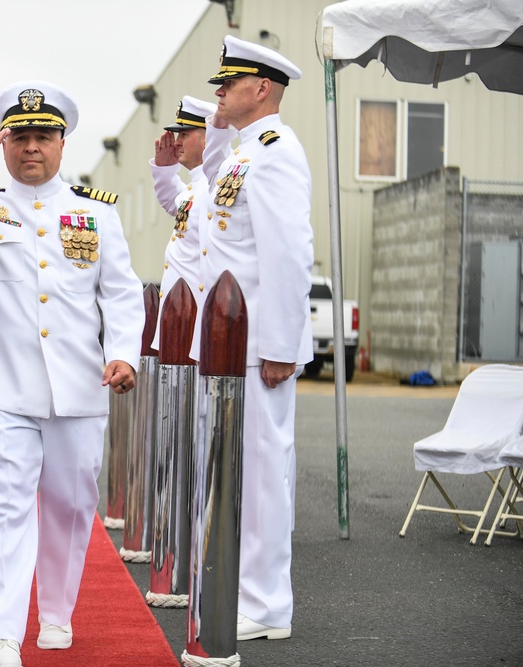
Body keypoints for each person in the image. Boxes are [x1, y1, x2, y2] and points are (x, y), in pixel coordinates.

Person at [0, 81, 144, 667]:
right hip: (3, 385)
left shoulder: (94, 211)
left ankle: (56, 612)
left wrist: (124, 352)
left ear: (62, 142)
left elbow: (120, 293)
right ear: (5, 141)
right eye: (19, 137)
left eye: (43, 136)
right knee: (6, 504)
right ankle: (2, 632)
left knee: (71, 506)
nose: (30, 148)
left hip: (78, 384)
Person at [196, 35, 314, 641]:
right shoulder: (244, 152)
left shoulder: (276, 151)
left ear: (261, 88)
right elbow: (217, 221)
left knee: (265, 474)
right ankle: (242, 588)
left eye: (228, 83)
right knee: (236, 472)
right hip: (228, 343)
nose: (218, 92)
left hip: (256, 346)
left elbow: (289, 255)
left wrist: (279, 346)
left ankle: (267, 607)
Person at [148, 95, 216, 352]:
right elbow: (179, 209)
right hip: (181, 320)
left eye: (184, 134)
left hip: (195, 318)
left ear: (208, 137)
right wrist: (165, 170)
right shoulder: (197, 185)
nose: (176, 142)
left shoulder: (214, 183)